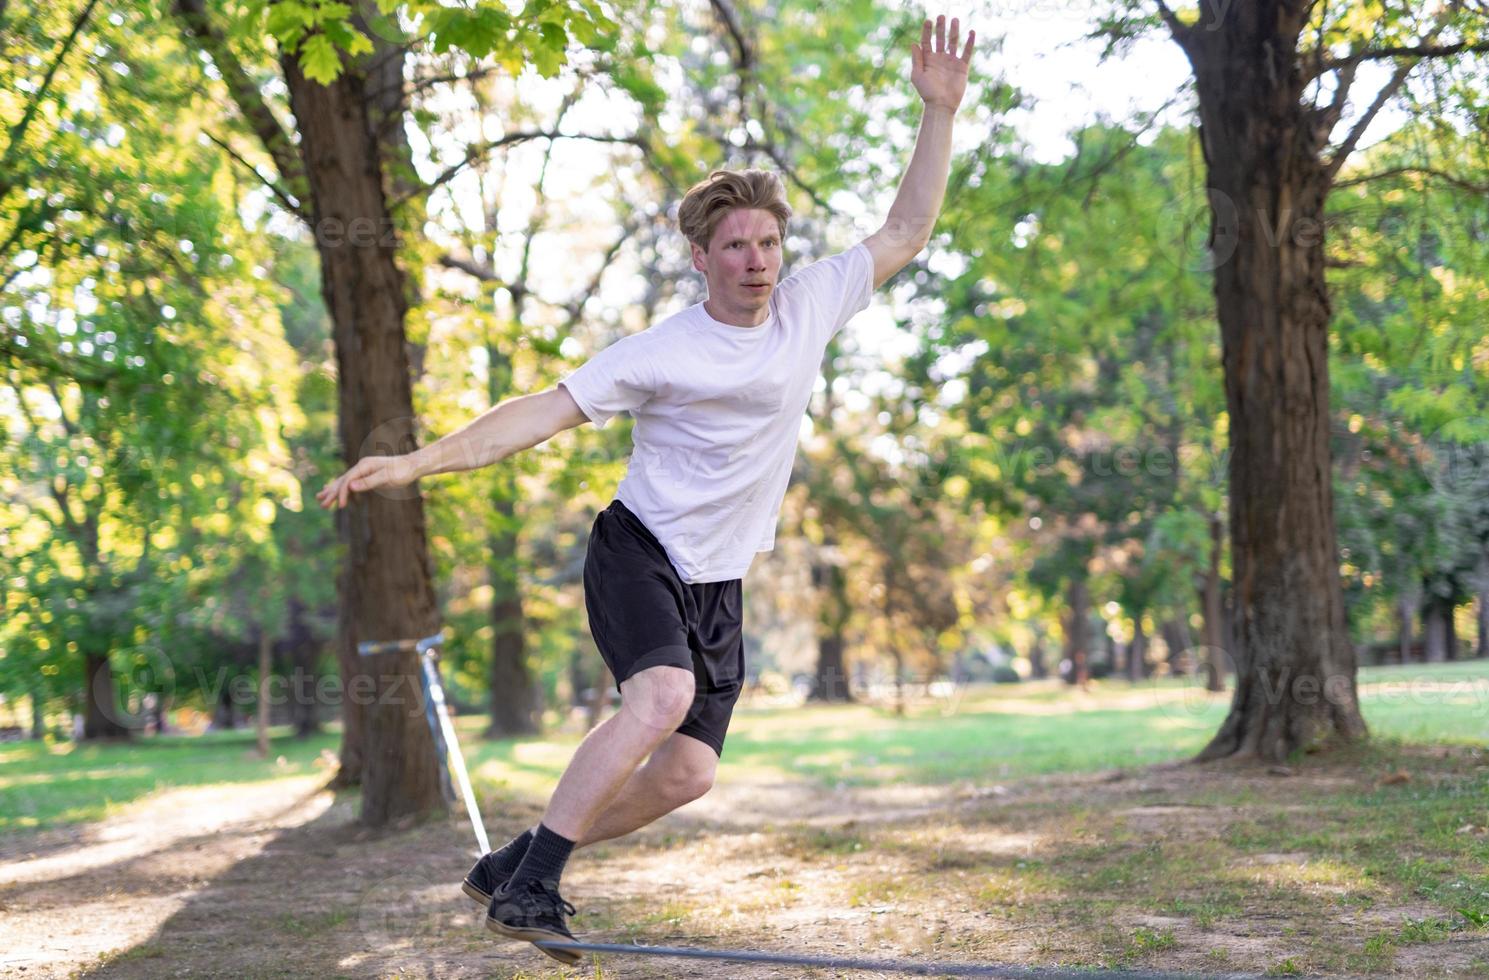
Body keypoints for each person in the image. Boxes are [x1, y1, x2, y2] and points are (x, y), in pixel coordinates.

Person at [316, 14, 974, 964]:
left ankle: (517, 862)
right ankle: (534, 892)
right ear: (701, 257)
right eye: (737, 245)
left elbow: (907, 227)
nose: (756, 259)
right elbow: (539, 411)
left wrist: (938, 113)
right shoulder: (663, 349)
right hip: (640, 549)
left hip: (719, 579)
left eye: (767, 242)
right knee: (659, 697)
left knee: (686, 776)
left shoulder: (810, 304)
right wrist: (414, 462)